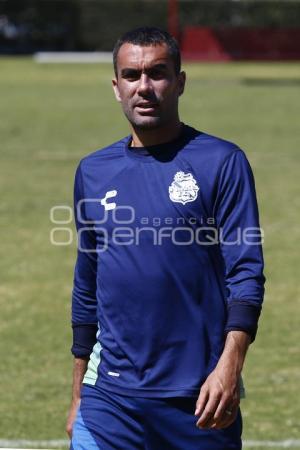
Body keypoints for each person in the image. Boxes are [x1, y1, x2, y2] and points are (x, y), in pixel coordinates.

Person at [66, 27, 265, 449]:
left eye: (157, 73)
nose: (145, 87)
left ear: (180, 81)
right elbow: (87, 282)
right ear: (116, 87)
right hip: (109, 403)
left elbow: (246, 273)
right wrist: (78, 395)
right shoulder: (93, 171)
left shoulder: (221, 162)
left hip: (199, 401)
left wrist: (230, 367)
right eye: (132, 75)